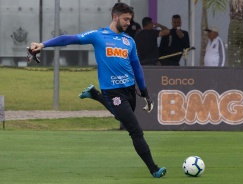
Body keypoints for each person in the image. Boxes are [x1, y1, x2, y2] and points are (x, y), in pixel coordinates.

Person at [28, 2, 166, 178]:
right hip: (113, 91)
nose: (128, 23)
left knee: (121, 115)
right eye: (125, 19)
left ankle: (94, 94)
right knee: (135, 130)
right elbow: (69, 39)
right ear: (115, 17)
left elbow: (137, 67)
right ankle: (154, 169)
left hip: (130, 90)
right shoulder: (98, 36)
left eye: (130, 20)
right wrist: (43, 44)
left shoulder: (129, 41)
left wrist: (145, 94)